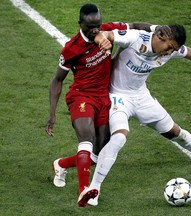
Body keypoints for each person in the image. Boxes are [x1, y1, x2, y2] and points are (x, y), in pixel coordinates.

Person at [77, 25, 191, 207]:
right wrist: (102, 39)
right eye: (169, 47)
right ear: (159, 37)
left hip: (141, 96)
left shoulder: (170, 50)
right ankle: (94, 189)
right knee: (119, 137)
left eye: (174, 50)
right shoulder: (135, 38)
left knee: (175, 132)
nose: (170, 52)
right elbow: (105, 34)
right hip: (117, 96)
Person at [45, 3, 171, 207]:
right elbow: (57, 80)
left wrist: (158, 28)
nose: (95, 30)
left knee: (97, 152)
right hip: (82, 97)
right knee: (86, 139)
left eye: (98, 25)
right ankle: (84, 191)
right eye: (90, 27)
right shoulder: (71, 48)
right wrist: (52, 114)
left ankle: (61, 164)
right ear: (80, 24)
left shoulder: (108, 31)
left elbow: (134, 25)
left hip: (104, 98)